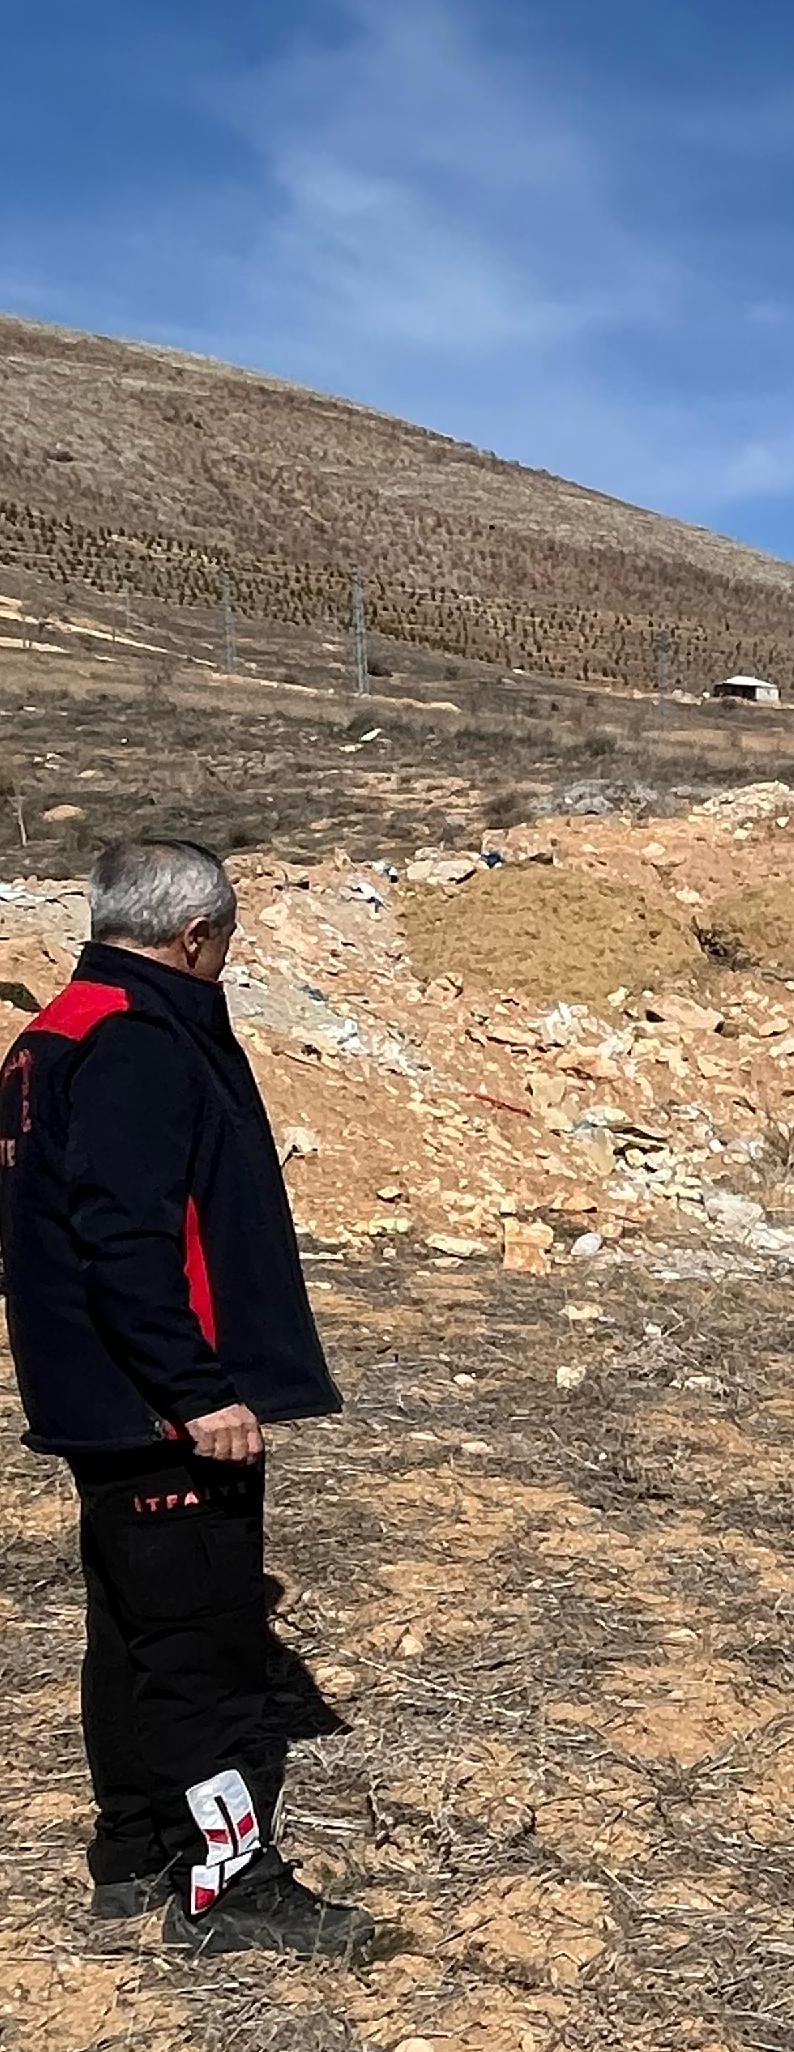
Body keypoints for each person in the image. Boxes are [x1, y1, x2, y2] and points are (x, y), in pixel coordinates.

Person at [1, 839, 370, 1959]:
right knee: (203, 1646)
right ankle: (231, 1883)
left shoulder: (52, 1031)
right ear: (197, 934)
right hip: (160, 1409)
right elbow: (126, 1239)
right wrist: (197, 1391)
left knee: (133, 1629)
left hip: (99, 1400)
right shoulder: (137, 1040)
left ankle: (136, 1853)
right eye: (229, 940)